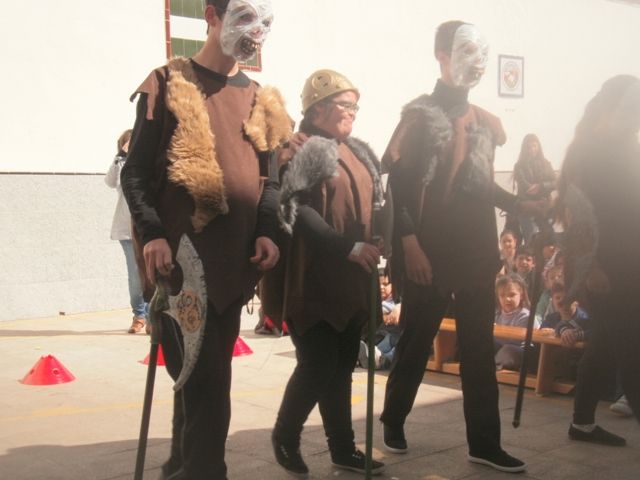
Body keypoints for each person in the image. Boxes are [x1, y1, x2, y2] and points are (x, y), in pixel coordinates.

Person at [121, 1, 291, 477]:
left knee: (201, 384)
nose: (256, 32)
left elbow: (270, 181)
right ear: (212, 17)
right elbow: (135, 175)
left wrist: (266, 231)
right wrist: (153, 234)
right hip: (184, 267)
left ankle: (179, 467)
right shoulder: (168, 82)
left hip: (235, 270)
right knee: (209, 392)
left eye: (265, 23)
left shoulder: (261, 98)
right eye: (244, 18)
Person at [379, 20, 541, 473]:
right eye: (466, 51)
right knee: (414, 342)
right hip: (428, 254)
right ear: (442, 56)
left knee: (476, 350)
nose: (476, 62)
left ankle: (484, 443)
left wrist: (522, 202)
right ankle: (393, 418)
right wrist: (409, 243)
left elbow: (484, 188)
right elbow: (401, 187)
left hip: (475, 254)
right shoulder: (419, 116)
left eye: (482, 53)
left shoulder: (487, 123)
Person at [268, 69, 385, 477]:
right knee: (317, 365)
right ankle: (285, 436)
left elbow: (371, 206)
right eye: (345, 104)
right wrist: (347, 247)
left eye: (356, 105)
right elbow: (297, 210)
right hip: (314, 279)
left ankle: (342, 449)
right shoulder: (303, 148)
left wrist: (380, 238)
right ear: (318, 109)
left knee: (340, 368)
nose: (353, 112)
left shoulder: (356, 151)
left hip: (352, 279)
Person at [556, 74, 640, 445]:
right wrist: (592, 268)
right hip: (605, 268)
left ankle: (582, 423)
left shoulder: (627, 146)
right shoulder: (587, 151)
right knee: (632, 347)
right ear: (611, 107)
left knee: (606, 341)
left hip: (631, 261)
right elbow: (576, 216)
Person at [104, 129, 149, 334]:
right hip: (127, 231)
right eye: (127, 143)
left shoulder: (148, 163)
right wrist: (120, 156)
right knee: (135, 276)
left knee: (153, 274)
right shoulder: (121, 165)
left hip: (149, 229)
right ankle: (139, 315)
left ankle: (153, 315)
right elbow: (110, 182)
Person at [513, 134, 556, 243]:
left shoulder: (546, 164)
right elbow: (526, 187)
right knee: (531, 240)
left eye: (534, 146)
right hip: (528, 210)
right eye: (529, 147)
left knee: (549, 241)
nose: (532, 149)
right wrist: (542, 190)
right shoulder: (519, 166)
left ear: (538, 147)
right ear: (524, 148)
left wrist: (541, 186)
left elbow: (556, 182)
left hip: (545, 209)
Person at [494, 273, 530, 371]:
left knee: (508, 350)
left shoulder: (525, 316)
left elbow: (518, 341)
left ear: (521, 295)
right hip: (499, 347)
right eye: (502, 295)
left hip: (518, 351)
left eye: (512, 295)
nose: (507, 299)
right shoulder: (497, 314)